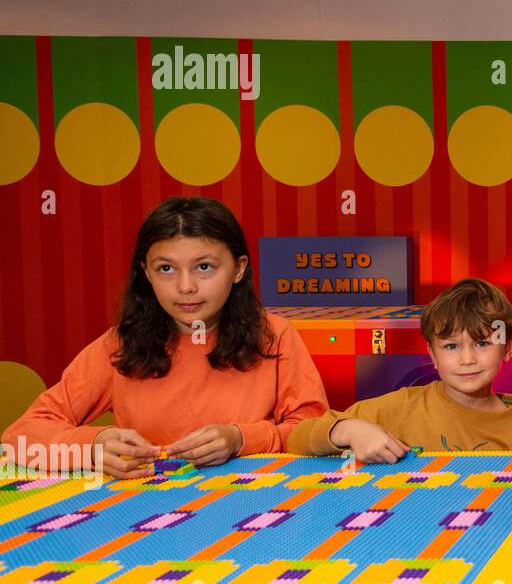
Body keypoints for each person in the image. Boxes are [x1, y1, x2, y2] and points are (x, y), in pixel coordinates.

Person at [2, 197, 328, 479]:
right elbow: (19, 437)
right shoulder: (120, 344)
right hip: (141, 518)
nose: (185, 287)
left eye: (204, 267)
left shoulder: (275, 336)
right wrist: (92, 446)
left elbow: (313, 432)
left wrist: (240, 439)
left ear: (238, 269)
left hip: (253, 511)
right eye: (166, 269)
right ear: (146, 271)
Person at [288, 278, 512, 461]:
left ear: (507, 348)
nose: (467, 358)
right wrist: (348, 430)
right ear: (433, 355)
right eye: (451, 346)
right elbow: (297, 438)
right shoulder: (401, 408)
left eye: (482, 343)